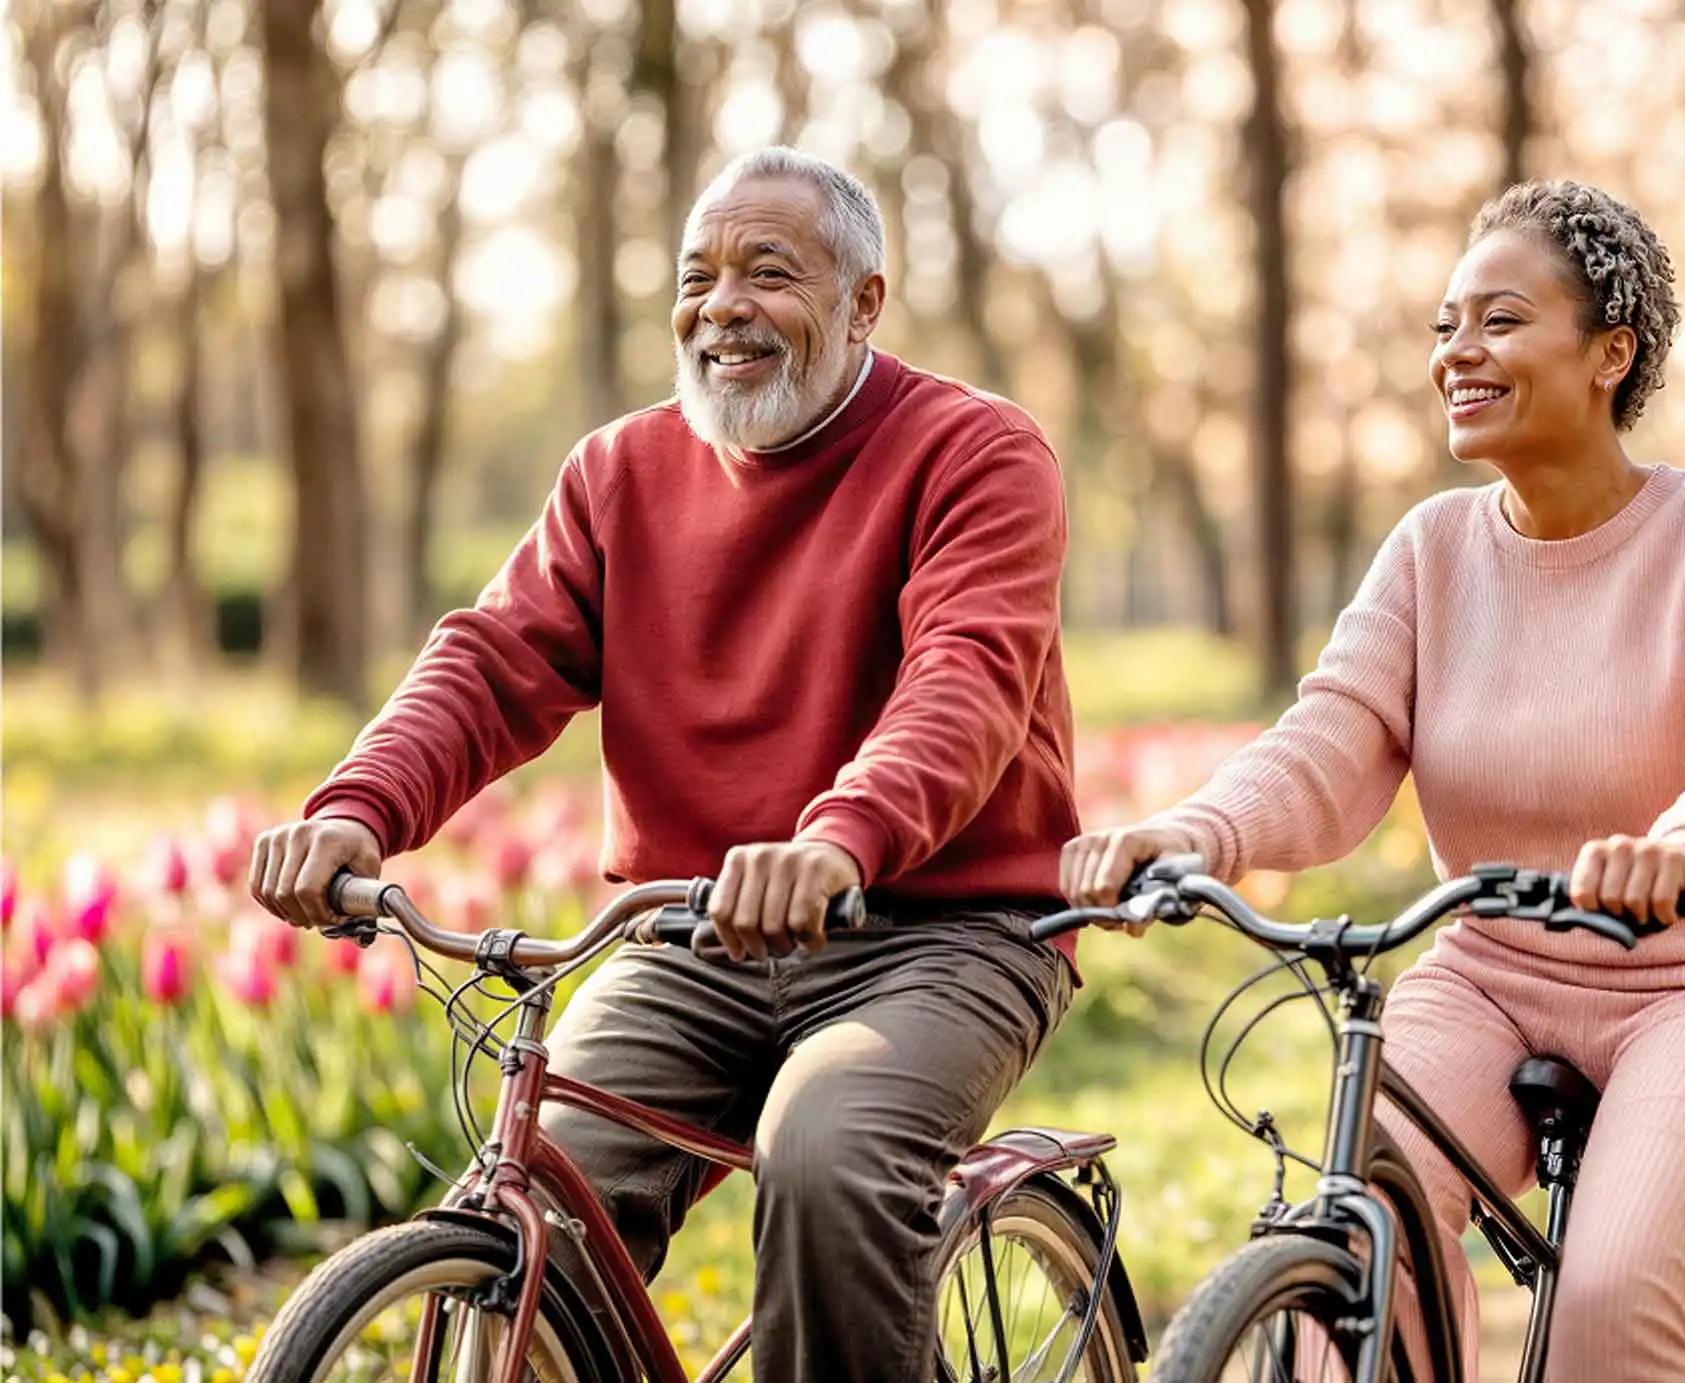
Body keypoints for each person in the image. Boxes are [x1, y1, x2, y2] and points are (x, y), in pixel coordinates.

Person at [249, 146, 1081, 1383]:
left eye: (767, 272)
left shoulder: (973, 453)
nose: (720, 306)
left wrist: (836, 838)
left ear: (863, 304)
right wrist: (359, 807)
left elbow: (963, 683)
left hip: (945, 933)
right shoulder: (616, 473)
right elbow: (493, 659)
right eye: (695, 277)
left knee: (832, 1152)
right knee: (538, 1197)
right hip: (694, 933)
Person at [1063, 180, 1685, 1381]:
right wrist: (1196, 831)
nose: (1455, 353)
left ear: (1607, 355)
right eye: (1443, 324)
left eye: (1499, 320)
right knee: (1350, 1248)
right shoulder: (1429, 551)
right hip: (1487, 972)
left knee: (1604, 1308)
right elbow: (1331, 739)